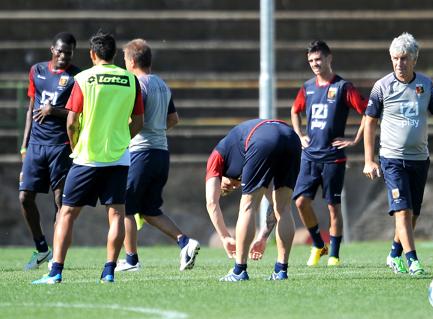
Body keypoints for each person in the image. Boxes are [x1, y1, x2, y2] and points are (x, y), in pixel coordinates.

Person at [32, 31, 144, 284]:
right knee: (116, 214)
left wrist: (75, 145)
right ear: (114, 55)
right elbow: (139, 121)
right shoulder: (130, 79)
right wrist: (122, 139)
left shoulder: (82, 78)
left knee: (67, 214)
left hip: (86, 157)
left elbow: (71, 121)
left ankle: (55, 272)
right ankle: (108, 272)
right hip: (118, 158)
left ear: (93, 54)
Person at [362, 32, 433, 276]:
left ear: (414, 59)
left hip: (420, 158)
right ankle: (413, 260)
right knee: (402, 210)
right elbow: (370, 122)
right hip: (392, 158)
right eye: (395, 58)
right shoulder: (381, 87)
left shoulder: (426, 85)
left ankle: (394, 253)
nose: (399, 63)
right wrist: (368, 159)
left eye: (404, 58)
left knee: (413, 213)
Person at [115, 39, 200, 272]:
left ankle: (131, 260)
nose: (124, 65)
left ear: (132, 61)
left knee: (125, 208)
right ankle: (185, 242)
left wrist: (124, 136)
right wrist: (156, 132)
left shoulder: (135, 84)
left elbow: (135, 119)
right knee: (149, 210)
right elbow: (173, 119)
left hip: (141, 153)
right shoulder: (162, 85)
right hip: (161, 153)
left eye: (124, 60)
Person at [290, 40, 367, 267]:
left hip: (333, 157)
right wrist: (299, 134)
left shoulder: (344, 87)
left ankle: (334, 254)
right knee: (301, 202)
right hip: (310, 156)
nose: (315, 64)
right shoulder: (308, 87)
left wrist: (355, 139)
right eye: (311, 61)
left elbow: (368, 112)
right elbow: (295, 111)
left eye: (318, 59)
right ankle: (317, 245)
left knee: (333, 207)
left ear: (329, 58)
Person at [205, 119, 301, 281]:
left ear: (221, 177)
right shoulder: (244, 158)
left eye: (226, 187)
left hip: (263, 137)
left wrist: (225, 237)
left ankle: (239, 270)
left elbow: (211, 203)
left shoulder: (217, 157)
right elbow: (274, 204)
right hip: (291, 137)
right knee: (283, 207)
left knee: (248, 206)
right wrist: (263, 237)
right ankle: (281, 270)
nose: (234, 187)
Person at [19, 32, 80, 271]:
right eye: (61, 51)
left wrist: (54, 110)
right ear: (52, 49)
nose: (64, 56)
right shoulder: (37, 71)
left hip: (60, 146)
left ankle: (56, 255)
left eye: (69, 52)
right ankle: (41, 248)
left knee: (59, 202)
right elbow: (31, 109)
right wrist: (24, 145)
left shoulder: (77, 77)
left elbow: (79, 112)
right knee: (25, 197)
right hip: (35, 145)